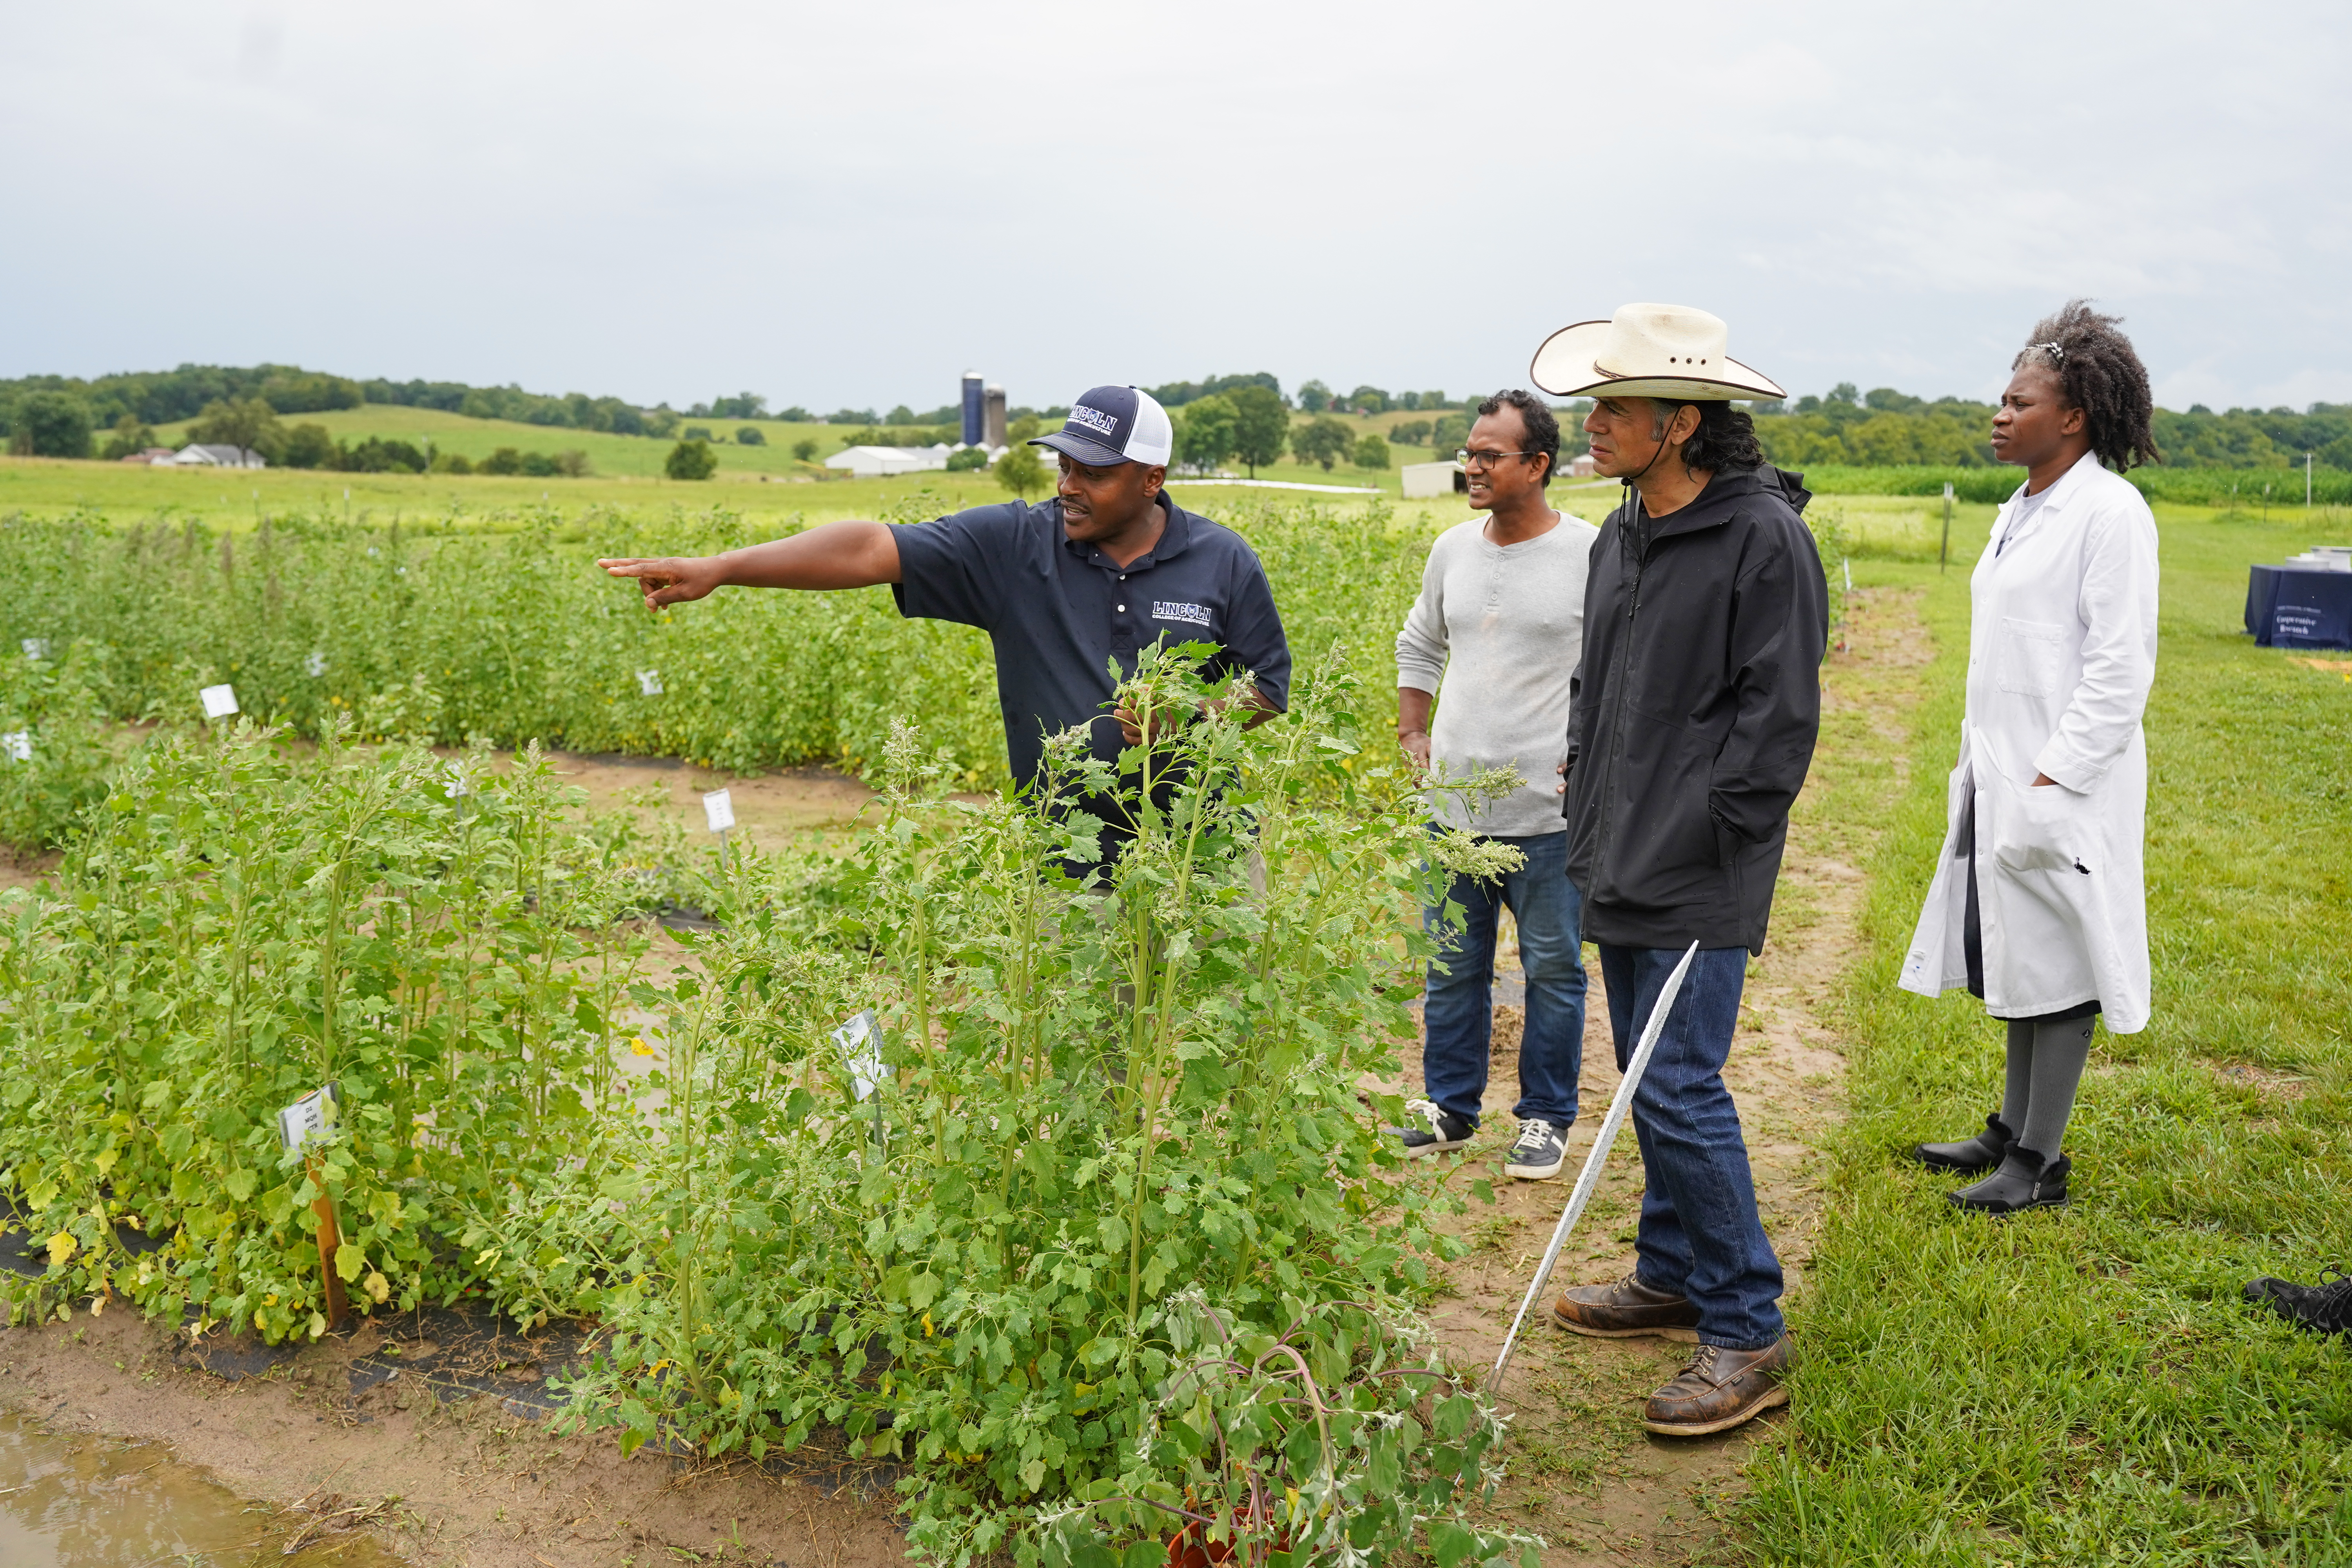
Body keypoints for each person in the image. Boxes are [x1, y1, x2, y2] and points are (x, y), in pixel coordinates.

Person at [1529, 302, 1826, 1438]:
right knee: (1643, 1074)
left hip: (1702, 863)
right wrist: (1584, 783)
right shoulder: (1624, 531)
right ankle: (1667, 1274)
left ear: (1683, 421)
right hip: (1613, 844)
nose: (1592, 425)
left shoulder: (1763, 539)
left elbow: (1778, 719)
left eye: (1613, 408)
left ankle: (1748, 1327)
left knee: (1680, 1084)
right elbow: (1596, 682)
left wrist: (1712, 833)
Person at [599, 385, 1291, 857]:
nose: (1068, 486)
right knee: (1089, 1070)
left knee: (1220, 1055)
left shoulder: (1221, 560)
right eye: (1064, 464)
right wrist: (722, 568)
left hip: (1202, 858)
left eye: (1094, 474)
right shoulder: (1015, 548)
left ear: (1152, 480)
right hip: (1068, 867)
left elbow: (1268, 686)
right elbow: (871, 546)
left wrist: (1192, 715)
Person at [1899, 302, 2161, 1212]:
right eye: (2000, 400)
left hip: (2062, 775)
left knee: (2060, 959)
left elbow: (2122, 663)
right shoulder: (2020, 506)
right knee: (2016, 946)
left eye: (2020, 401)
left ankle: (2039, 1163)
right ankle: (2009, 1129)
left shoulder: (2109, 511)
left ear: (2076, 415)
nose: (2000, 414)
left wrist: (2057, 774)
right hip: (2000, 766)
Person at [1390, 390, 1599, 1181]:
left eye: (1489, 456)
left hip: (1548, 815)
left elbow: (1621, 661)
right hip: (1454, 811)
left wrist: (1595, 755)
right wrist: (1414, 732)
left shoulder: (1588, 551)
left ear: (1537, 465)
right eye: (1468, 454)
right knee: (1450, 965)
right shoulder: (1453, 548)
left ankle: (1546, 1118)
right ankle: (1449, 1105)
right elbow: (1419, 642)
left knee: (1551, 968)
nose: (1471, 467)